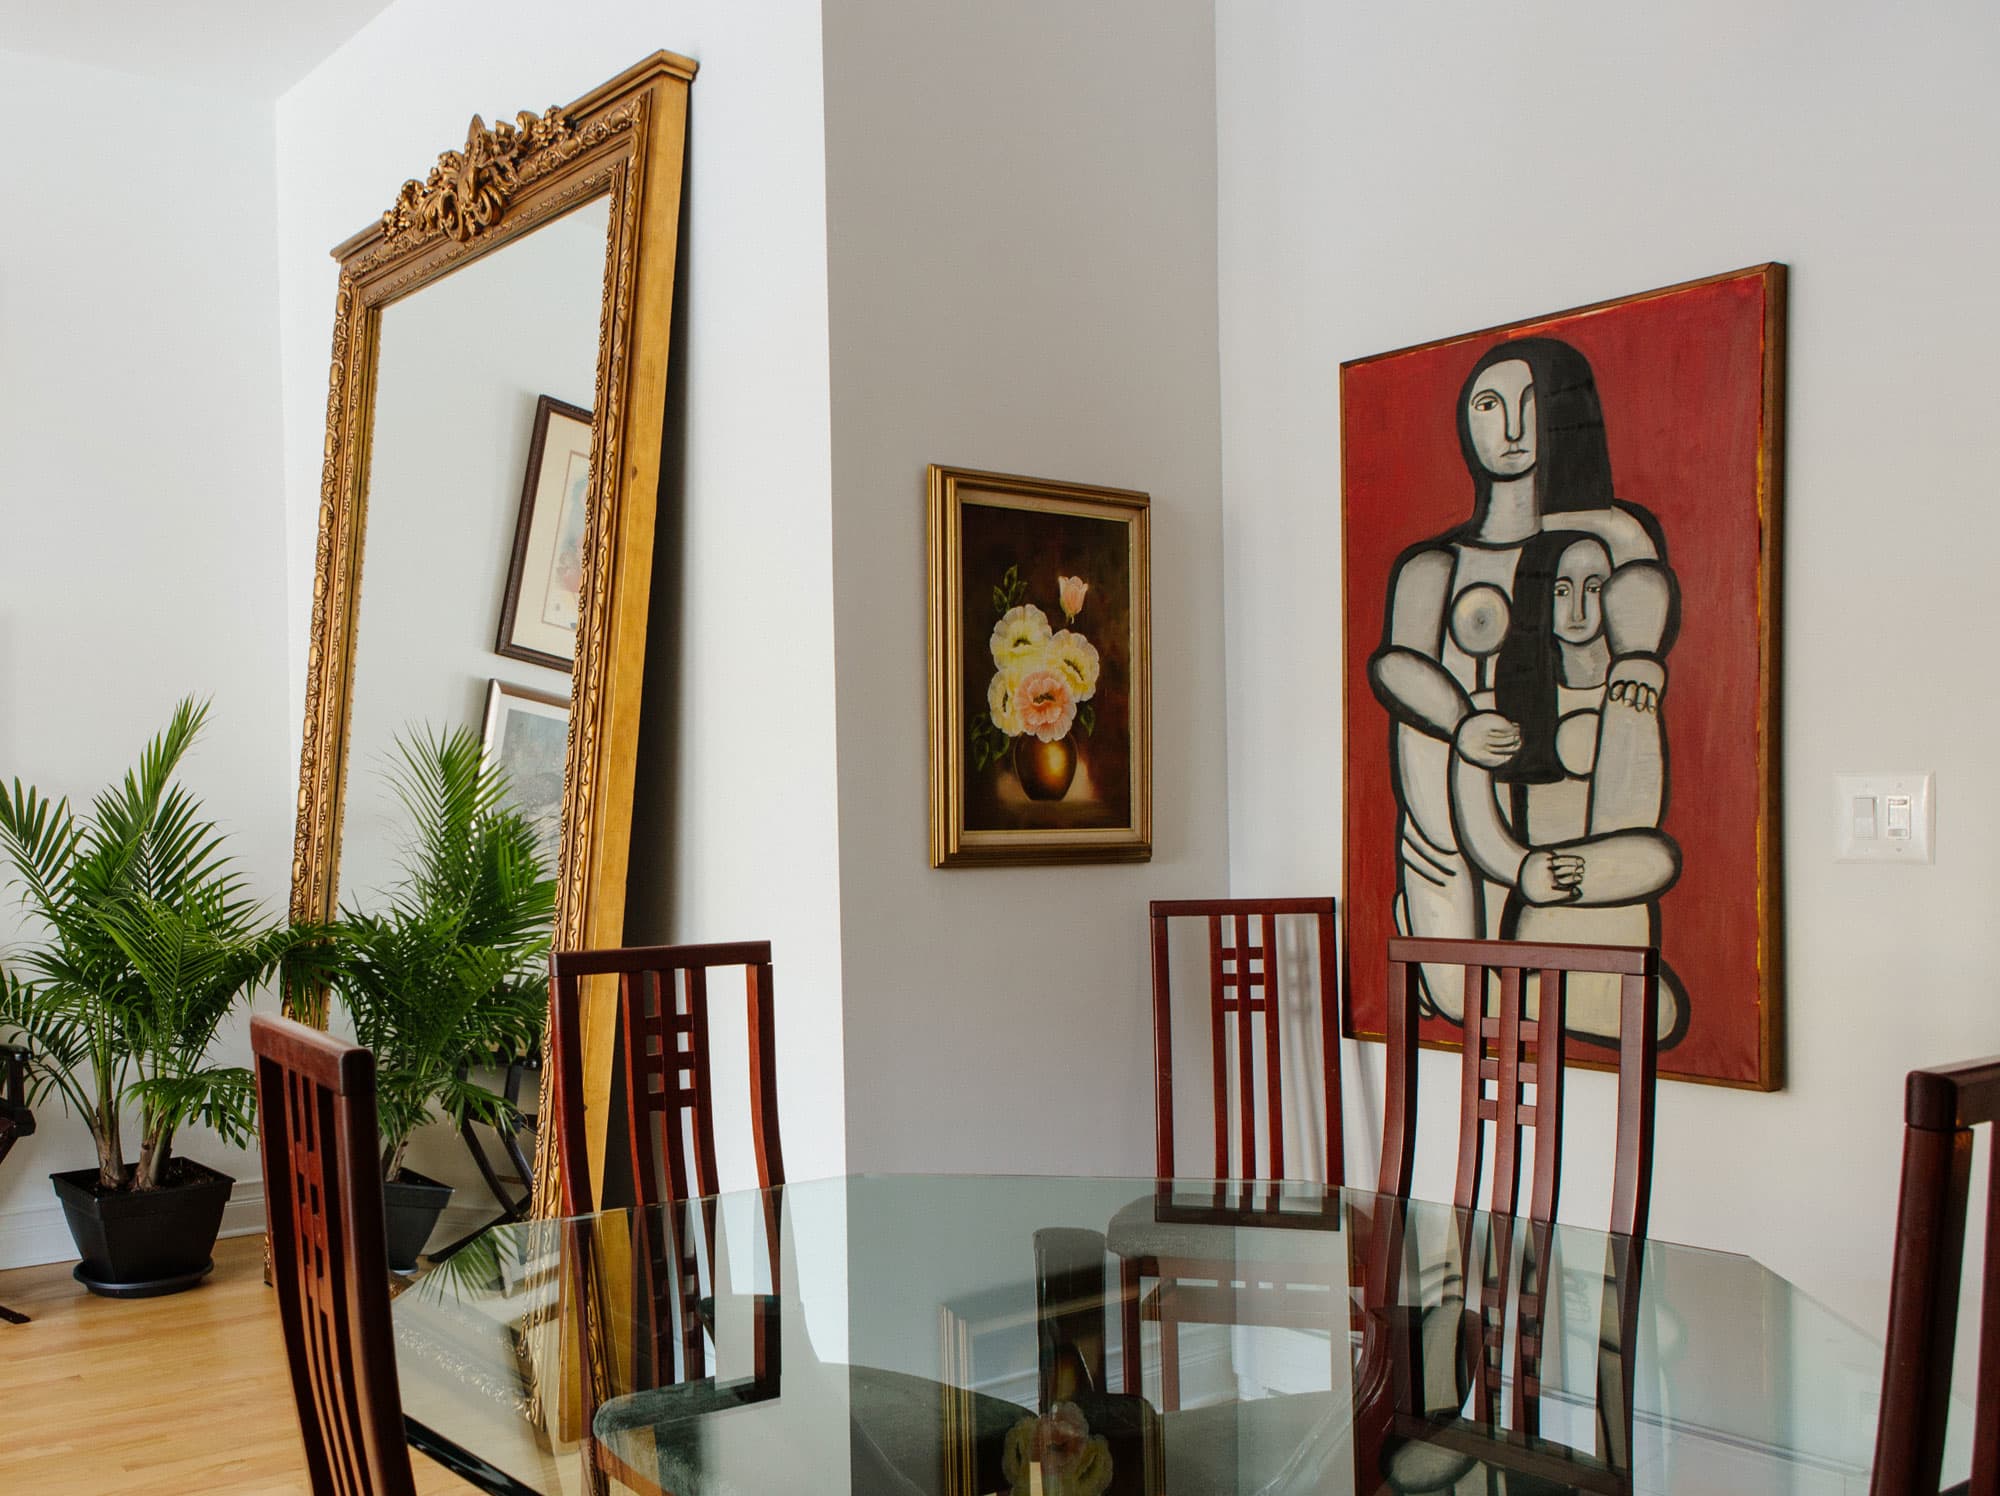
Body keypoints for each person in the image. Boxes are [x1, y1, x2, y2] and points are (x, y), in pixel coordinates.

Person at [1369, 337, 1675, 1024]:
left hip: (1561, 804)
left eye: (1532, 404)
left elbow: (1640, 582)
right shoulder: (1434, 565)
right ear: (1465, 419)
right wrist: (1459, 721)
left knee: (1565, 942)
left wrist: (1639, 655)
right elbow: (1396, 663)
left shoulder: (1605, 534)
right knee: (1463, 998)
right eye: (1489, 404)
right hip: (1448, 815)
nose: (1510, 428)